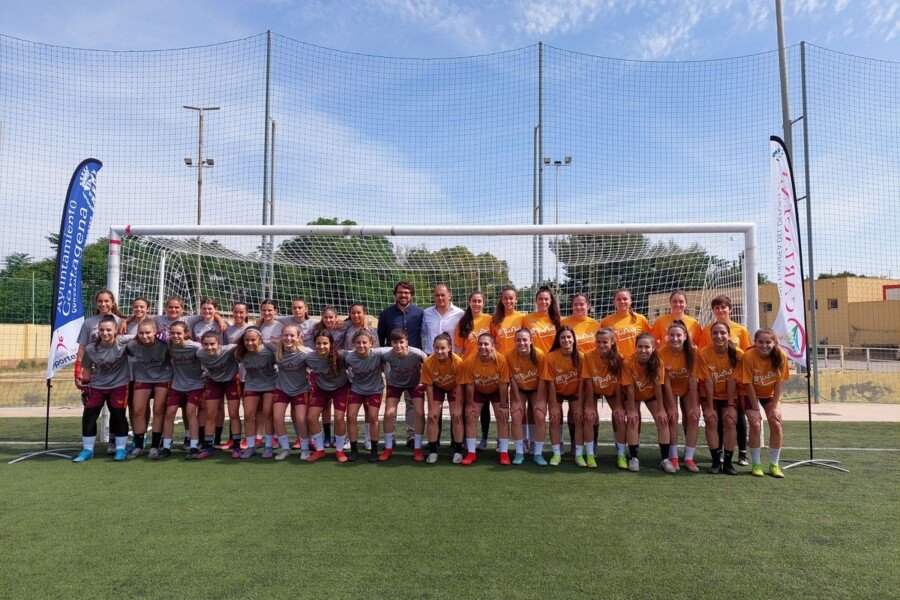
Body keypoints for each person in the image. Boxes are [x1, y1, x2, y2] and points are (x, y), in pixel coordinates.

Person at [698, 294, 752, 466]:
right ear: (713, 310)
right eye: (717, 307)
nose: (720, 310)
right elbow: (705, 354)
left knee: (738, 417)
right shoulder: (707, 330)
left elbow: (745, 355)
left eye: (723, 307)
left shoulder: (741, 330)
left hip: (736, 383)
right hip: (715, 380)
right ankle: (719, 453)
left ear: (730, 309)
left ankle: (742, 452)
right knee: (718, 419)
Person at [73, 316, 133, 462]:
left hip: (119, 384)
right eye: (101, 330)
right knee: (89, 415)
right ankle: (88, 450)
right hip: (97, 385)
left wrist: (127, 320)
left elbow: (144, 334)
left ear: (115, 330)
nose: (105, 333)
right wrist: (86, 387)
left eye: (108, 330)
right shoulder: (91, 348)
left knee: (118, 415)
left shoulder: (124, 341)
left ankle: (120, 449)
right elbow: (86, 367)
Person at [74, 289, 122, 455]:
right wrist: (78, 372)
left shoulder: (121, 321)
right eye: (100, 301)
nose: (103, 304)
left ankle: (115, 442)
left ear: (113, 302)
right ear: (96, 304)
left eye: (107, 301)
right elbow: (82, 348)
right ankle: (88, 449)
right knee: (90, 411)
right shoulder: (89, 323)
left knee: (117, 411)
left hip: (118, 375)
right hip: (96, 376)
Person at [737, 328, 790, 478]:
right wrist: (755, 409)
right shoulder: (748, 356)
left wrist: (774, 407)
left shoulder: (781, 355)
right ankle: (756, 464)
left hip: (769, 393)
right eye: (760, 342)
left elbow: (779, 382)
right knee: (755, 423)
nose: (764, 345)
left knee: (776, 423)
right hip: (748, 393)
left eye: (768, 342)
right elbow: (748, 385)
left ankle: (774, 465)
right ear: (755, 343)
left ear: (774, 343)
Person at [378, 282, 425, 448]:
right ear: (395, 294)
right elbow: (381, 339)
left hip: (414, 361)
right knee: (392, 402)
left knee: (412, 402)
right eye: (400, 292)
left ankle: (412, 436)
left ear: (411, 295)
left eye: (406, 293)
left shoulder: (420, 313)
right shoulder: (386, 314)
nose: (403, 295)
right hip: (393, 362)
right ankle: (391, 438)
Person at [621, 333, 675, 473]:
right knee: (633, 420)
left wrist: (662, 409)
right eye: (640, 347)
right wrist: (632, 409)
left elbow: (658, 387)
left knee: (662, 419)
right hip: (633, 395)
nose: (643, 350)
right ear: (635, 347)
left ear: (653, 348)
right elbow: (630, 388)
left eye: (647, 347)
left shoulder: (658, 362)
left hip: (651, 395)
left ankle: (665, 459)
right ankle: (633, 458)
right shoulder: (628, 362)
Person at [421, 284, 465, 449]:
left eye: (443, 295)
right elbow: (425, 333)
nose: (440, 298)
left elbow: (462, 336)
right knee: (433, 412)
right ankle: (434, 443)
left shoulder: (460, 313)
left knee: (457, 413)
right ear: (434, 296)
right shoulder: (426, 313)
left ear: (449, 295)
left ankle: (457, 444)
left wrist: (457, 357)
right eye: (437, 295)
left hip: (453, 362)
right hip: (433, 361)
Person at [698, 321, 744, 474]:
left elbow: (732, 381)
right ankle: (716, 461)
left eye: (723, 333)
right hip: (709, 393)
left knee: (730, 422)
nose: (719, 336)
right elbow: (708, 381)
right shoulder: (704, 353)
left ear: (729, 335)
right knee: (711, 421)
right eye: (715, 333)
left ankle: (729, 463)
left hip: (730, 395)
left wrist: (731, 406)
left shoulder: (738, 354)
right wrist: (710, 407)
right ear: (710, 335)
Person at [458, 333, 510, 465]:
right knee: (471, 416)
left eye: (486, 344)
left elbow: (503, 384)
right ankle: (471, 453)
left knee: (503, 417)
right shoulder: (470, 361)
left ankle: (504, 453)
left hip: (496, 391)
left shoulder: (501, 360)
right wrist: (469, 405)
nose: (483, 346)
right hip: (478, 391)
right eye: (480, 344)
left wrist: (504, 406)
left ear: (492, 346)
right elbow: (469, 385)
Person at [126, 317, 172, 460]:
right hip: (143, 377)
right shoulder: (132, 345)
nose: (144, 336)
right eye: (141, 333)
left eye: (148, 333)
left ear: (155, 332)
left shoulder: (165, 345)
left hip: (163, 377)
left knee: (159, 409)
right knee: (138, 410)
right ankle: (139, 445)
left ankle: (154, 446)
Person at [658, 321, 701, 472]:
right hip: (669, 387)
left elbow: (693, 378)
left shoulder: (693, 351)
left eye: (678, 335)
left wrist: (695, 405)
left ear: (685, 337)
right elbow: (666, 379)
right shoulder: (661, 352)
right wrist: (671, 405)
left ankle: (689, 458)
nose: (675, 338)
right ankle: (674, 457)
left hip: (689, 387)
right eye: (671, 335)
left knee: (694, 416)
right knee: (672, 415)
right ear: (667, 337)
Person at [561, 293, 601, 454]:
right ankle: (574, 443)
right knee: (573, 408)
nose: (578, 307)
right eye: (575, 304)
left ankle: (594, 444)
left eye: (582, 304)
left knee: (592, 407)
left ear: (588, 305)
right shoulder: (564, 323)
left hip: (591, 372)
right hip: (571, 372)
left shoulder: (596, 325)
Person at [539, 326, 584, 466]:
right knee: (555, 418)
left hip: (575, 392)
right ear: (558, 340)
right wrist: (552, 407)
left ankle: (579, 454)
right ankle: (556, 454)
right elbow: (550, 384)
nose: (566, 340)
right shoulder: (551, 357)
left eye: (569, 337)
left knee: (578, 417)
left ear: (574, 339)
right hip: (557, 392)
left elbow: (582, 383)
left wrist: (581, 405)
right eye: (563, 337)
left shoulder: (581, 356)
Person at [380, 329, 427, 461]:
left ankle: (417, 448)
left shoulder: (417, 354)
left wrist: (425, 381)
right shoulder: (386, 353)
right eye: (395, 342)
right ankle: (388, 447)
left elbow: (430, 364)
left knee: (419, 413)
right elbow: (370, 353)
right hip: (395, 385)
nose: (398, 345)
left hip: (414, 385)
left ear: (407, 342)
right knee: (388, 413)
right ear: (391, 343)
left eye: (401, 342)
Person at [454, 290, 493, 451]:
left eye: (479, 301)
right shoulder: (463, 322)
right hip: (469, 369)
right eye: (474, 301)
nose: (477, 304)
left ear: (483, 303)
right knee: (468, 404)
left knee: (484, 405)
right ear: (469, 302)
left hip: (487, 368)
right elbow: (458, 349)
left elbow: (495, 343)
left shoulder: (490, 320)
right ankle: (465, 439)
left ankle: (484, 438)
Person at [343, 329, 389, 463]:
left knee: (373, 416)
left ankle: (374, 450)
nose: (361, 345)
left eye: (364, 342)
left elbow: (400, 349)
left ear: (371, 343)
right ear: (353, 344)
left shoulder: (378, 353)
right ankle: (354, 450)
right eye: (358, 342)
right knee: (351, 417)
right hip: (357, 388)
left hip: (375, 389)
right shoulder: (349, 357)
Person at [305, 330, 351, 462]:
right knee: (311, 417)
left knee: (338, 418)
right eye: (318, 343)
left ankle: (339, 450)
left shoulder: (342, 356)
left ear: (331, 344)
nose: (321, 346)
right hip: (321, 388)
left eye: (325, 343)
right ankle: (320, 450)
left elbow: (357, 356)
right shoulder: (309, 357)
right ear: (314, 344)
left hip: (340, 388)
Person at [162, 321, 205, 460]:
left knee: (190, 411)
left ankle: (193, 446)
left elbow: (211, 355)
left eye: (179, 333)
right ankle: (166, 447)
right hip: (177, 385)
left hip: (196, 384)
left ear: (186, 334)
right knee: (169, 413)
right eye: (172, 333)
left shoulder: (196, 347)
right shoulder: (169, 344)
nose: (175, 336)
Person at [580, 328, 624, 468]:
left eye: (605, 342)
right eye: (598, 342)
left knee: (619, 417)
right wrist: (589, 405)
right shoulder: (589, 356)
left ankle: (621, 454)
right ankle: (590, 454)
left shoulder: (619, 358)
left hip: (612, 391)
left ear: (612, 341)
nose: (601, 345)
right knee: (589, 416)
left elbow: (618, 384)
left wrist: (618, 406)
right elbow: (589, 382)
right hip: (594, 389)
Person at [271, 324, 314, 461]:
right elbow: (258, 341)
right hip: (282, 388)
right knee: (277, 418)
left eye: (292, 335)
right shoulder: (275, 350)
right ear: (281, 337)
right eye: (285, 335)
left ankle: (305, 448)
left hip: (301, 389)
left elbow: (320, 358)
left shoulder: (306, 352)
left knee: (301, 420)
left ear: (298, 337)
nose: (288, 338)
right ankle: (285, 449)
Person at [195, 330, 241, 456]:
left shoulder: (229, 349)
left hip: (231, 381)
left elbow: (243, 341)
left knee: (233, 414)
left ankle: (236, 447)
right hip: (214, 382)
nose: (209, 347)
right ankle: (208, 447)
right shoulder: (199, 353)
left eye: (212, 344)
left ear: (219, 343)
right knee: (210, 414)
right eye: (205, 344)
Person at [421, 333, 464, 463]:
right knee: (432, 417)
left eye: (442, 348)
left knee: (456, 416)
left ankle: (458, 450)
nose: (439, 351)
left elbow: (460, 385)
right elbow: (428, 385)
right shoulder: (428, 362)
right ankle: (433, 451)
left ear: (449, 347)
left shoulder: (457, 362)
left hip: (455, 387)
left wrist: (457, 408)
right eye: (436, 348)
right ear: (433, 347)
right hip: (437, 387)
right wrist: (431, 408)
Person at [236, 327, 278, 459]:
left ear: (260, 340)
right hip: (251, 384)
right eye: (247, 340)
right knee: (248, 415)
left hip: (270, 384)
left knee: (268, 414)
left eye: (253, 340)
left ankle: (269, 446)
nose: (249, 343)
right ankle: (250, 447)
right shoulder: (240, 352)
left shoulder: (270, 351)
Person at [505, 328, 544, 465]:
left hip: (536, 389)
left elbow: (542, 380)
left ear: (531, 341)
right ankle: (519, 452)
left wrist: (539, 401)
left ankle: (538, 453)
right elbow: (513, 380)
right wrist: (516, 400)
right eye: (518, 340)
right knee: (516, 414)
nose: (521, 343)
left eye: (524, 340)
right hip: (519, 389)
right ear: (514, 341)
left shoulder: (539, 355)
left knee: (539, 414)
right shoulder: (510, 356)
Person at [311, 306, 344, 448]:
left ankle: (341, 439)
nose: (329, 320)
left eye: (332, 317)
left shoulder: (344, 327)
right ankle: (326, 436)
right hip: (321, 371)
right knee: (324, 408)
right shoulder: (316, 330)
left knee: (339, 415)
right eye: (326, 317)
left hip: (339, 371)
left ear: (336, 318)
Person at [222, 302, 251, 451]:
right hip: (232, 374)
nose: (238, 315)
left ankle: (249, 438)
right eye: (235, 312)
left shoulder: (252, 330)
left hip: (248, 375)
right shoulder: (227, 330)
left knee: (248, 411)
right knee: (233, 411)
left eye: (241, 312)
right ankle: (233, 438)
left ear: (247, 313)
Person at [600, 288, 651, 358]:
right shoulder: (605, 322)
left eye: (625, 299)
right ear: (614, 302)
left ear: (630, 301)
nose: (622, 301)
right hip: (616, 361)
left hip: (636, 361)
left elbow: (649, 340)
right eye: (618, 299)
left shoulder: (641, 319)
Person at [522, 286, 561, 354]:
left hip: (553, 358)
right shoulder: (527, 319)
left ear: (550, 301)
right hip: (536, 358)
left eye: (546, 299)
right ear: (536, 301)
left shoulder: (557, 319)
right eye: (540, 299)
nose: (543, 301)